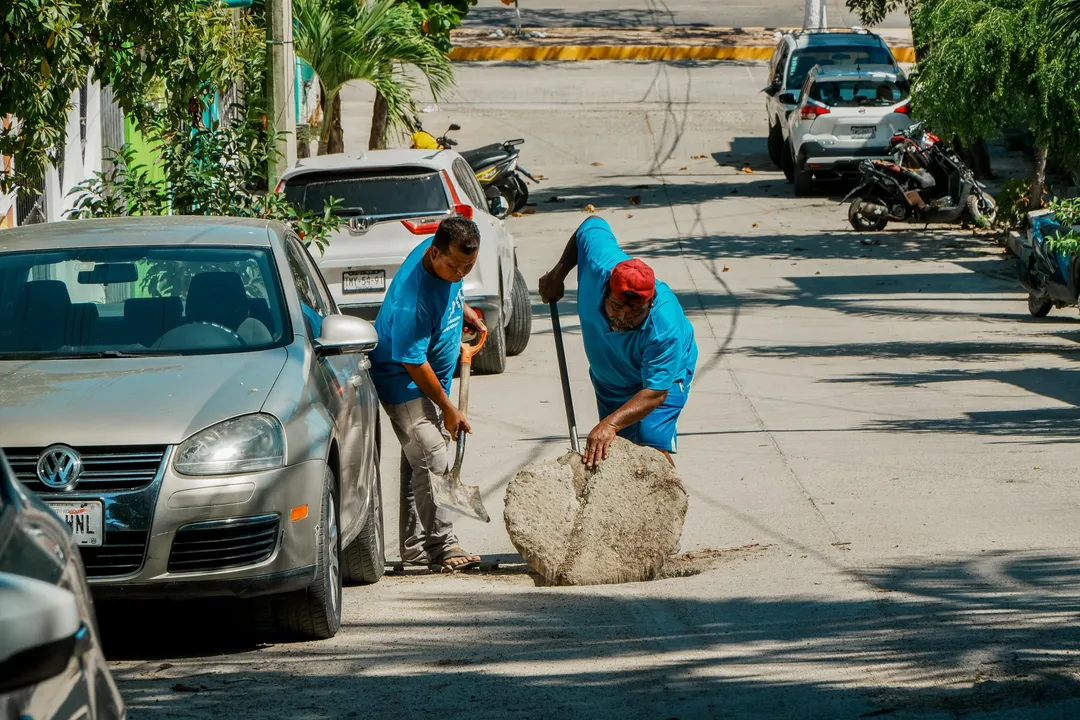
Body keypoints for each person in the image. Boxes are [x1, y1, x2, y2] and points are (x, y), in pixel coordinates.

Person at [370, 217, 487, 571]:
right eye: (453, 265)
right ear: (434, 252)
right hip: (402, 382)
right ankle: (442, 546)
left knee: (417, 461)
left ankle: (415, 548)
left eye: (468, 266)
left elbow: (450, 289)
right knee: (434, 456)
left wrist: (463, 310)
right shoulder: (414, 297)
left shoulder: (446, 258)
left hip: (428, 377)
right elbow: (411, 360)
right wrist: (448, 408)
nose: (460, 273)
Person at [538, 216, 698, 469]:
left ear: (651, 302)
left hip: (657, 382)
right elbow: (590, 225)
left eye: (635, 311)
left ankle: (665, 503)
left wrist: (610, 423)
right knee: (614, 449)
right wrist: (558, 274)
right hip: (610, 378)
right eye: (616, 306)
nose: (623, 317)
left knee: (649, 446)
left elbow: (655, 392)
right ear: (606, 290)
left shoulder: (666, 327)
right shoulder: (598, 264)